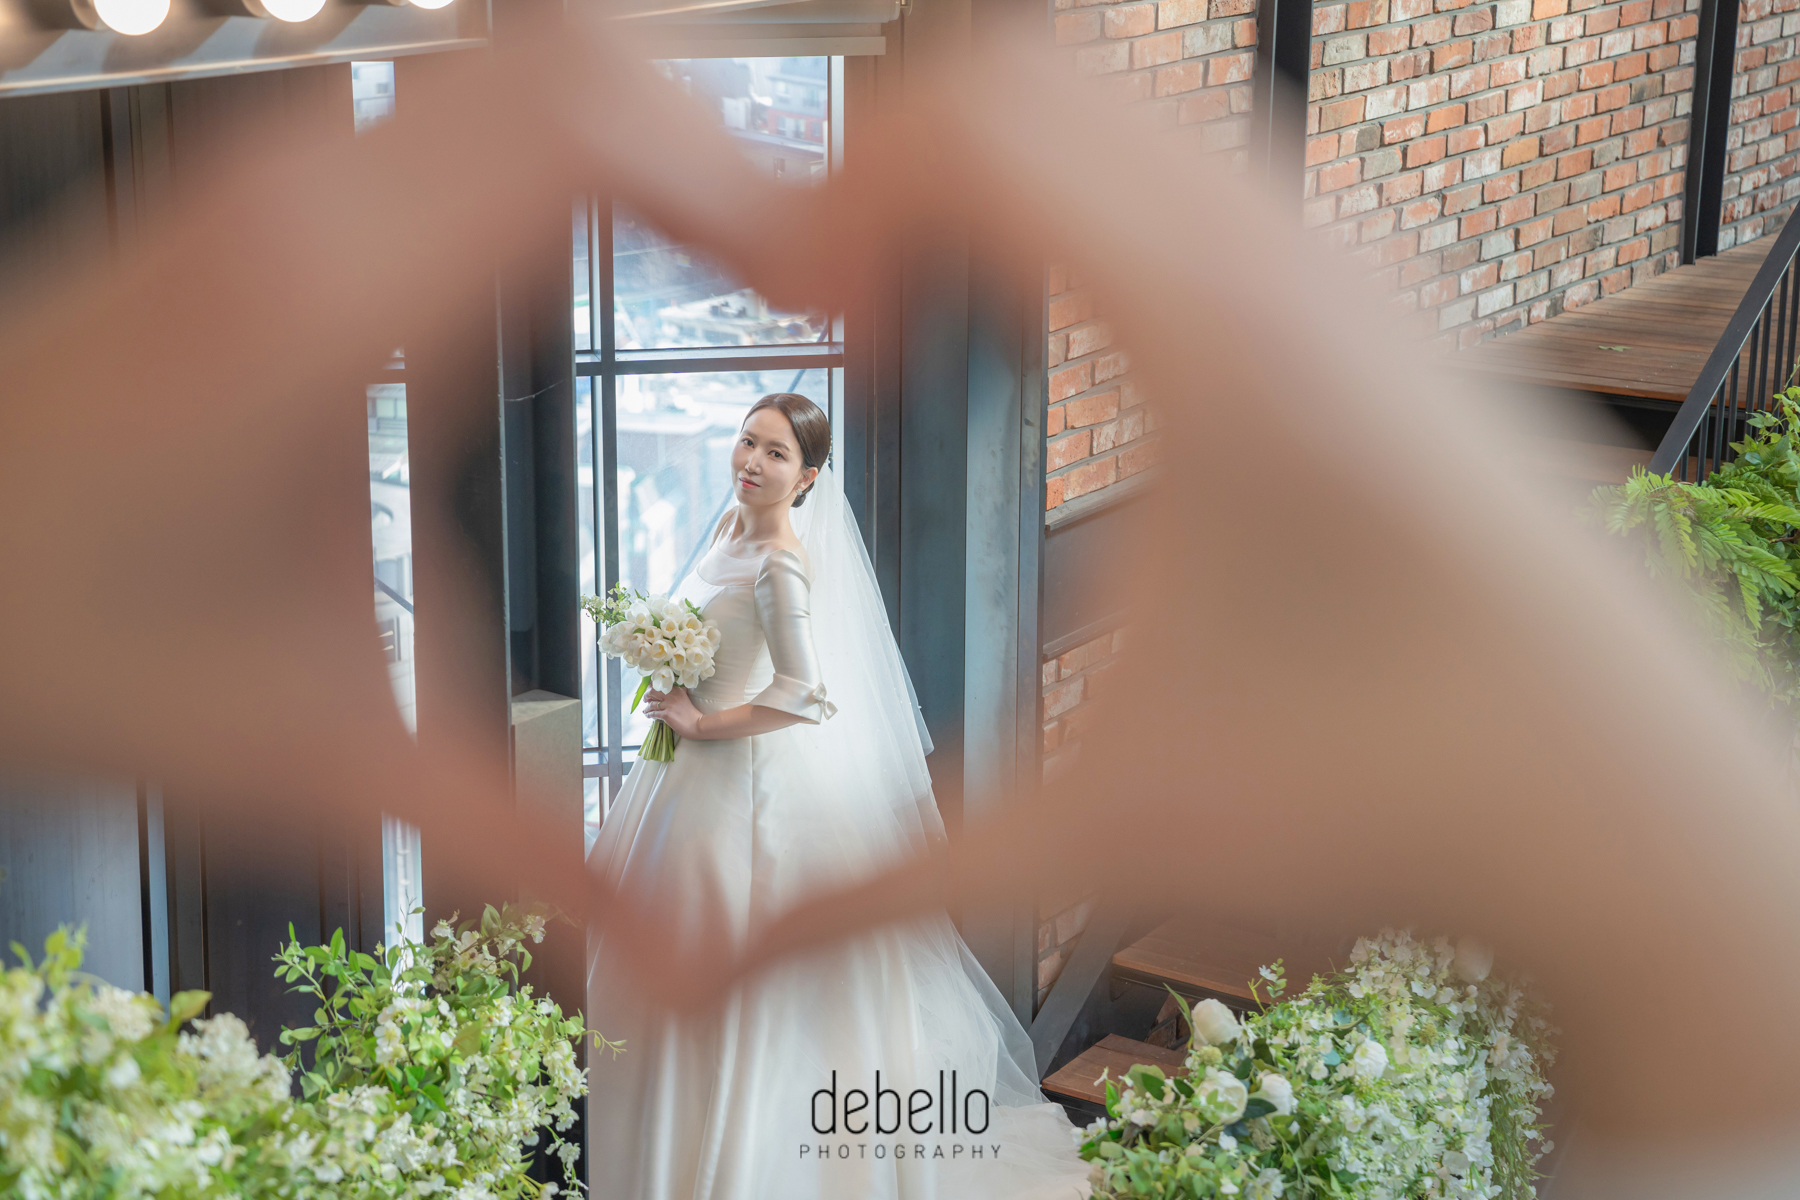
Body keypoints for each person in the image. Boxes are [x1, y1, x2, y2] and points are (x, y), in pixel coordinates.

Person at [584, 392, 1091, 1199]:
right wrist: (674, 675)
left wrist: (702, 721)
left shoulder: (781, 562)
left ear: (809, 476)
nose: (752, 462)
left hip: (745, 792)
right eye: (747, 442)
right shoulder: (728, 527)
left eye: (776, 453)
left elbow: (802, 695)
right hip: (683, 787)